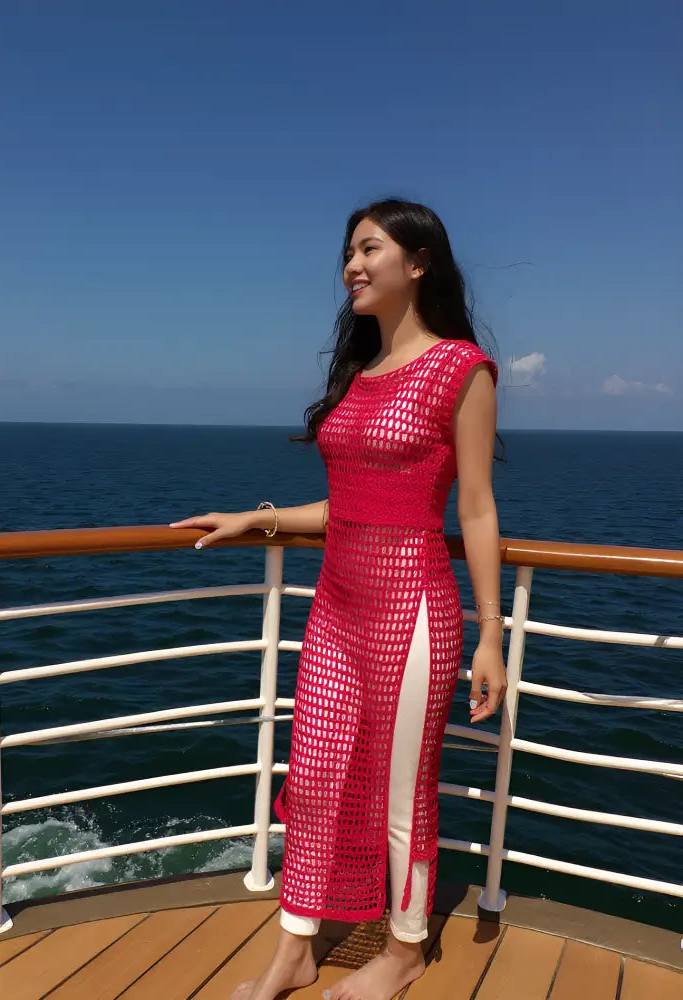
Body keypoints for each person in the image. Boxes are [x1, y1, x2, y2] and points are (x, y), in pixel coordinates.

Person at [170, 198, 506, 1000]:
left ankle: (405, 948)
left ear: (417, 262)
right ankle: (294, 946)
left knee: (400, 791)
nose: (351, 266)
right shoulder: (360, 373)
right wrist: (255, 518)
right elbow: (345, 505)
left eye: (368, 250)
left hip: (412, 611)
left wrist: (491, 633)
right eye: (348, 253)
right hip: (336, 609)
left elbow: (475, 509)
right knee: (316, 777)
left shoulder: (462, 368)